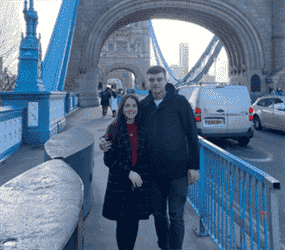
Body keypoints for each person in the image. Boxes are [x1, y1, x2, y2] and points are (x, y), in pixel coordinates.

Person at [100, 65, 200, 250]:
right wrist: (105, 141)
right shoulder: (143, 106)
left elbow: (192, 134)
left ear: (165, 80)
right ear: (147, 82)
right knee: (159, 215)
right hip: (153, 173)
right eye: (152, 80)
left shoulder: (180, 103)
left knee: (176, 215)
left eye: (159, 79)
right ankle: (164, 245)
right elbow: (125, 125)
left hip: (178, 170)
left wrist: (194, 167)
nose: (155, 83)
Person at [101, 94, 153, 250]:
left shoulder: (144, 127)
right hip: (121, 183)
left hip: (139, 183)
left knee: (134, 221)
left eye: (134, 106)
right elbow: (108, 160)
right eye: (127, 106)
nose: (131, 109)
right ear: (122, 108)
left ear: (138, 108)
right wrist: (128, 172)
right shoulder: (113, 128)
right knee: (122, 223)